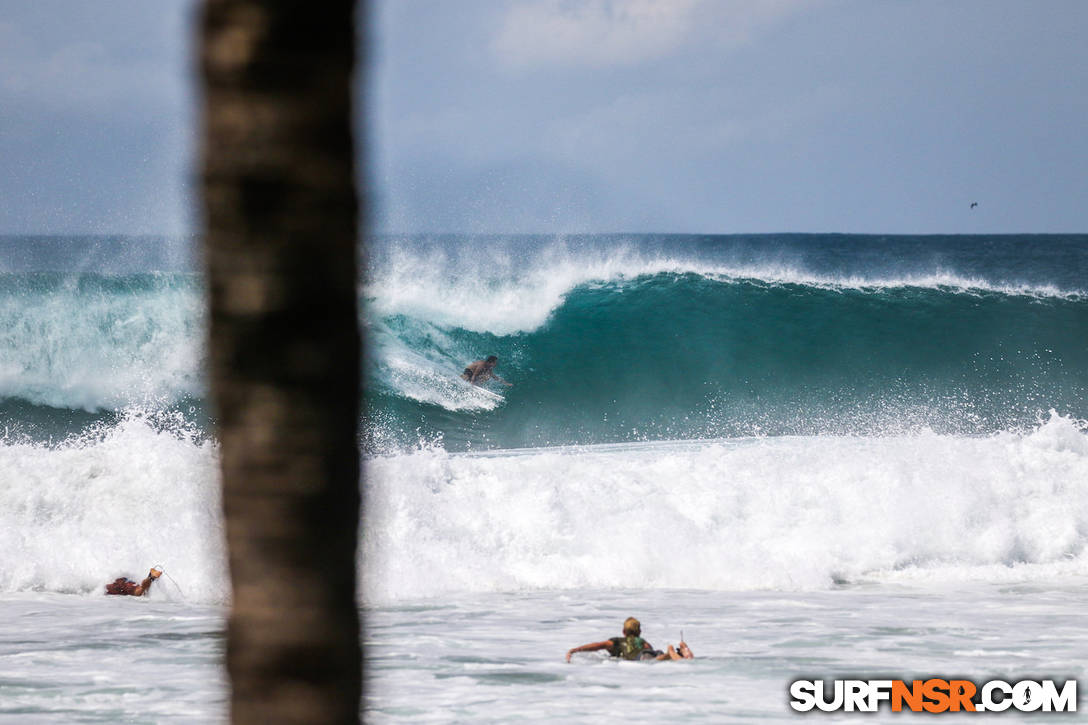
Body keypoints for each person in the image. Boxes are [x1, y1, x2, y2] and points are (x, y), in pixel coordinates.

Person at [565, 617, 693, 662]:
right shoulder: (644, 642)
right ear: (639, 632)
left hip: (642, 657)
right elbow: (649, 650)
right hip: (652, 652)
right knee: (658, 657)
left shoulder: (617, 642)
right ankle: (679, 652)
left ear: (623, 632)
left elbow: (598, 645)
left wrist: (575, 650)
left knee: (655, 659)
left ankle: (670, 652)